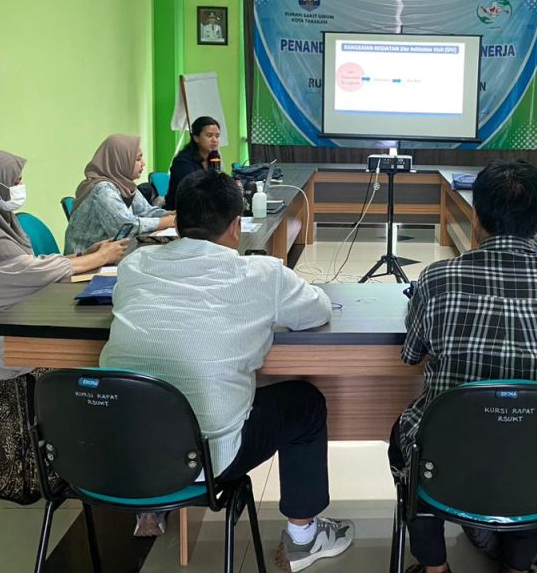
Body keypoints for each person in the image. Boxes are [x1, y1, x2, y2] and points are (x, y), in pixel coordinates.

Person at [100, 171, 354, 567]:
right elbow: (316, 311)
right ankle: (304, 538)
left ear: (177, 220)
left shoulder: (136, 264)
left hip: (119, 447)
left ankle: (152, 504)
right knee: (305, 403)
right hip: (207, 457)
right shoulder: (262, 274)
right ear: (237, 227)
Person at [389, 160, 537, 573]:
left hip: (452, 455)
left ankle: (436, 568)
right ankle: (517, 566)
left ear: (476, 217)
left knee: (405, 438)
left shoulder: (437, 278)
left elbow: (410, 355)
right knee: (534, 442)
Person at [0, 149, 127, 503]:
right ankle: (68, 461)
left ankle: (66, 457)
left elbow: (30, 265)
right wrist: (97, 259)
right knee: (82, 359)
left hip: (4, 317)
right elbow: (32, 274)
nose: (20, 188)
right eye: (14, 182)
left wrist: (84, 258)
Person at [64, 134, 175, 254]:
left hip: (112, 252)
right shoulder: (102, 190)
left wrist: (172, 214)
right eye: (137, 159)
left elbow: (146, 211)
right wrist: (168, 221)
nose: (143, 164)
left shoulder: (123, 184)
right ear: (119, 160)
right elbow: (127, 226)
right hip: (86, 260)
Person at [165, 116, 222, 210]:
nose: (214, 140)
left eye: (217, 136)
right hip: (182, 211)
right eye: (209, 135)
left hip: (205, 208)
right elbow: (192, 190)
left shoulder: (213, 158)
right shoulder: (183, 161)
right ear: (196, 138)